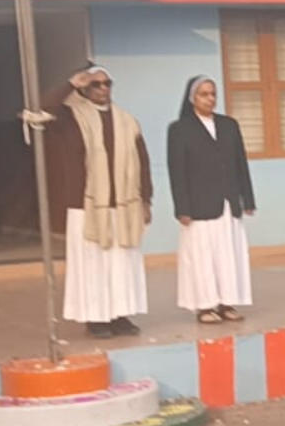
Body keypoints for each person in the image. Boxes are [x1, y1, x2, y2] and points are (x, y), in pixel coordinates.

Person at [45, 64, 152, 338]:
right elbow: (43, 110)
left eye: (107, 83)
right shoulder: (70, 117)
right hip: (86, 207)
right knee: (93, 265)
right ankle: (96, 319)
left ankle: (121, 316)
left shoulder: (127, 121)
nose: (103, 89)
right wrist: (70, 83)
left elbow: (143, 161)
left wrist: (146, 200)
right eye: (96, 84)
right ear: (84, 88)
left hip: (124, 206)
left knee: (122, 264)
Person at [167, 75, 256, 326]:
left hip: (228, 202)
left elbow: (240, 163)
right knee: (202, 257)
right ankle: (205, 306)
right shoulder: (180, 129)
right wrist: (182, 208)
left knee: (229, 254)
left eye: (213, 94)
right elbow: (177, 171)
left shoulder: (229, 125)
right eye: (204, 94)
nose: (210, 99)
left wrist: (247, 199)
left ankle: (227, 303)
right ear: (192, 98)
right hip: (198, 206)